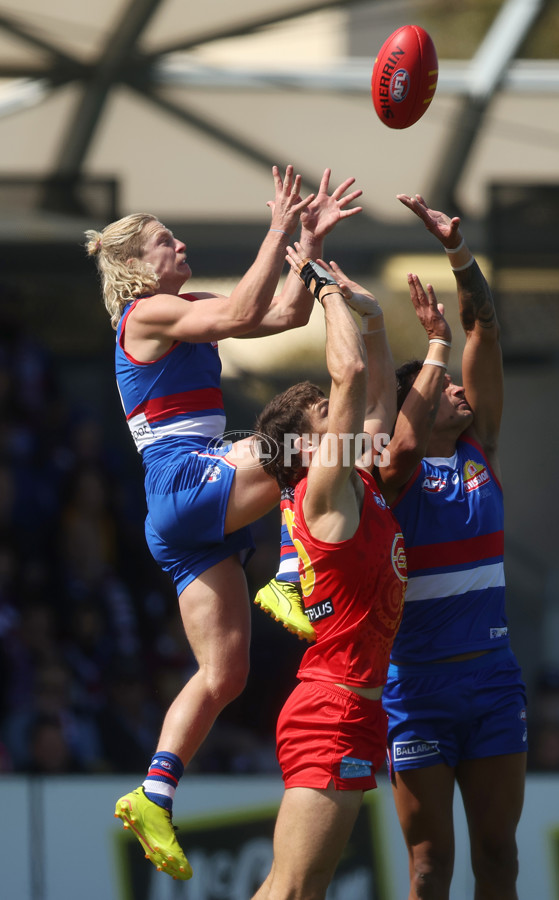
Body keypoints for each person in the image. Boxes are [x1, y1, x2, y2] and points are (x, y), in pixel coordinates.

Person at [84, 164, 363, 881]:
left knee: (224, 671)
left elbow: (279, 316)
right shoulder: (143, 315)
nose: (178, 246)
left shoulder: (185, 308)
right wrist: (274, 229)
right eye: (164, 241)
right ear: (133, 268)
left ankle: (153, 793)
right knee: (307, 439)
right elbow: (243, 314)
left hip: (186, 503)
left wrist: (306, 247)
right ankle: (292, 574)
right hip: (186, 476)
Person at [379, 194, 528, 900]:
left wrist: (459, 256)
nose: (464, 392)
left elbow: (486, 329)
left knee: (498, 856)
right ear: (419, 403)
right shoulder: (396, 474)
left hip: (493, 683)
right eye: (446, 390)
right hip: (418, 690)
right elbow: (399, 444)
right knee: (430, 867)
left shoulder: (482, 448)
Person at [250, 244, 408, 900]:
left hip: (356, 708)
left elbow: (377, 400)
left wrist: (371, 318)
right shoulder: (323, 490)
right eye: (326, 418)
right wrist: (321, 286)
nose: (343, 422)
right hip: (331, 708)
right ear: (311, 445)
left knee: (303, 891)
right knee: (290, 891)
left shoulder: (354, 481)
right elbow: (347, 375)